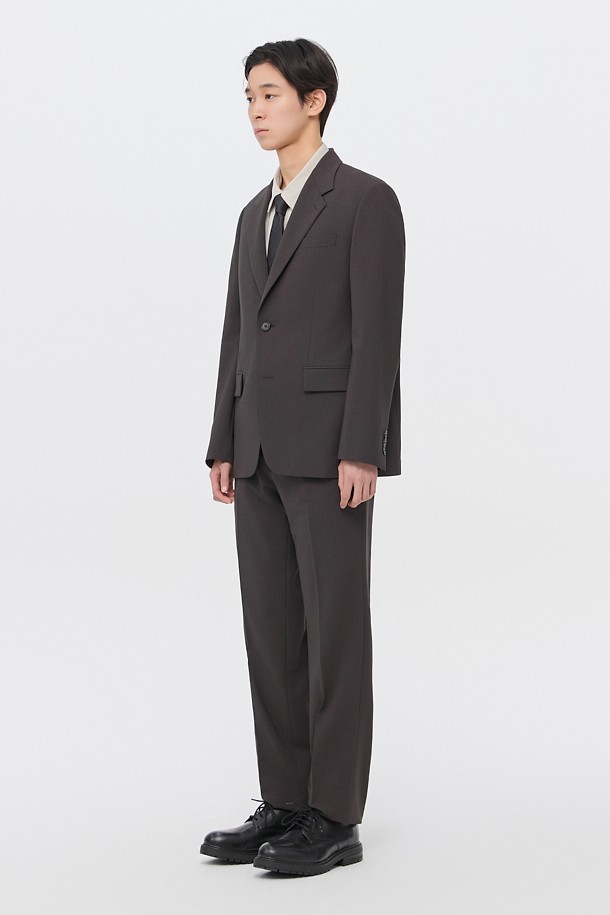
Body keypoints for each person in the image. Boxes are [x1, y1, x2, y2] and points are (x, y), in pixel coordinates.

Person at [199, 37, 406, 877]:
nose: (255, 110)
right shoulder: (254, 212)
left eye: (270, 94)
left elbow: (377, 336)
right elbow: (237, 332)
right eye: (249, 96)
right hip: (255, 449)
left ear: (314, 101)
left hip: (329, 453)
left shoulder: (365, 201)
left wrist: (364, 446)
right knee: (272, 630)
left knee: (335, 632)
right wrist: (223, 437)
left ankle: (335, 815)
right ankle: (284, 798)